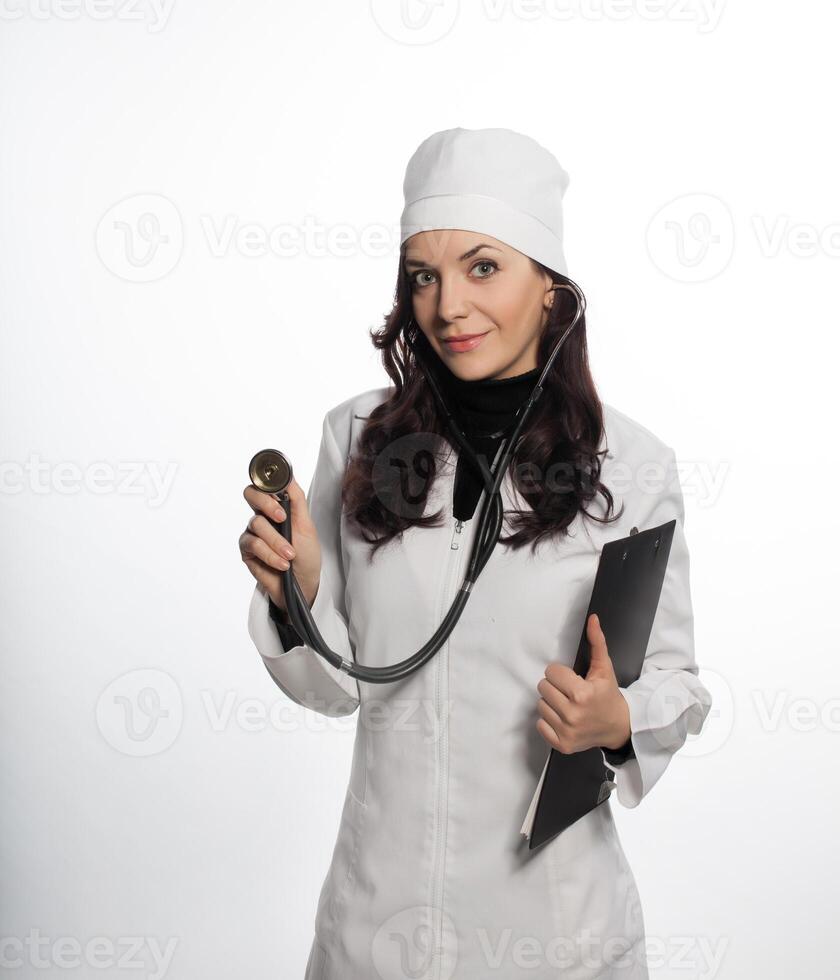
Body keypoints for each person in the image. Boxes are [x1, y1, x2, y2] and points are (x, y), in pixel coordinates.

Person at [239, 127, 713, 980]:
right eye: (424, 275)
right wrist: (297, 592)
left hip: (554, 933)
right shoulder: (356, 438)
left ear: (550, 290)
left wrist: (618, 723)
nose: (447, 304)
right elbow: (339, 687)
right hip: (375, 929)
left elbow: (676, 682)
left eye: (483, 266)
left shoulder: (633, 468)